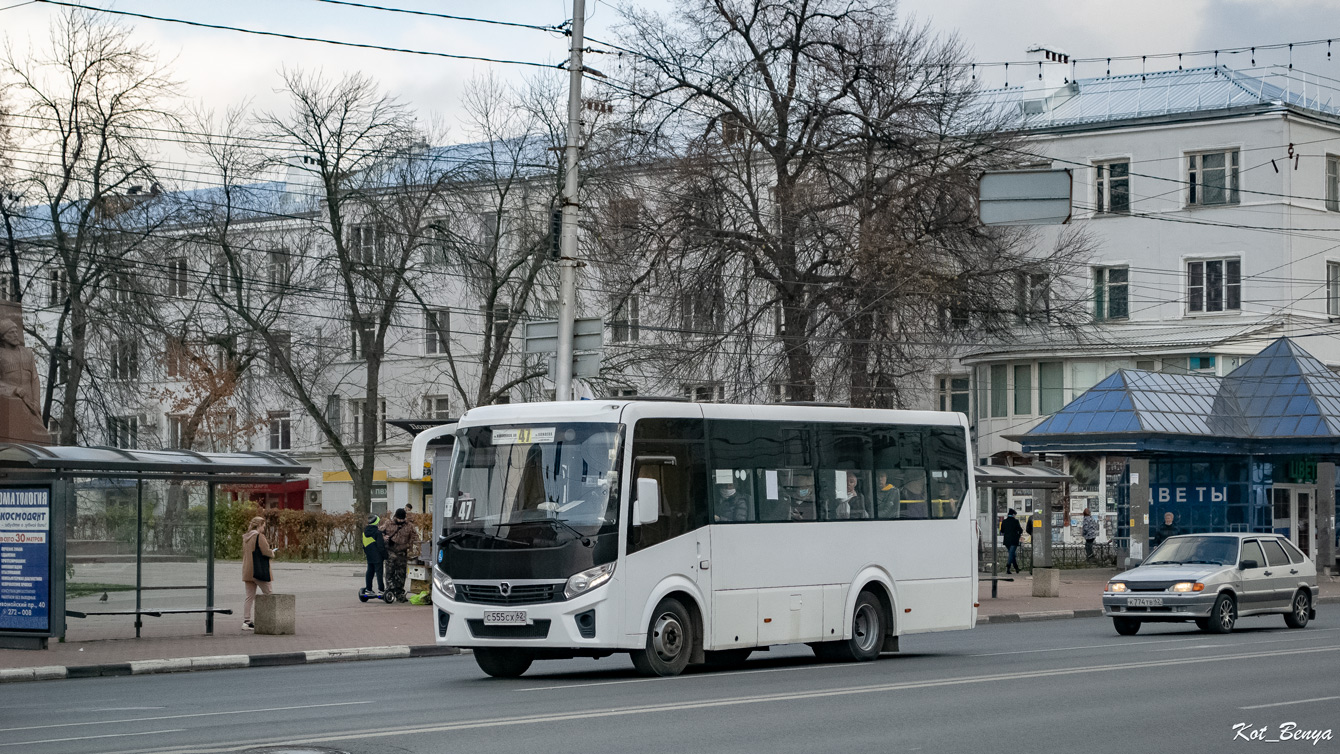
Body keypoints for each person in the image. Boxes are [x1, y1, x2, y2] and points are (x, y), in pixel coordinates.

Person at [241, 516, 277, 630]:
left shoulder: (246, 537)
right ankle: (270, 619)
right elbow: (265, 551)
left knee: (249, 597)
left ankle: (246, 622)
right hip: (258, 570)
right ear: (259, 525)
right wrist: (272, 552)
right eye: (263, 526)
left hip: (247, 570)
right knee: (269, 593)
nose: (263, 529)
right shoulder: (258, 536)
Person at [381, 508, 419, 602]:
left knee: (401, 574)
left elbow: (415, 537)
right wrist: (383, 537)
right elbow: (379, 532)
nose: (401, 521)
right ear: (395, 517)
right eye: (399, 519)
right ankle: (390, 591)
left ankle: (399, 593)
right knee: (390, 572)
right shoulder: (388, 523)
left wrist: (415, 547)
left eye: (402, 519)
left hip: (402, 552)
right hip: (390, 551)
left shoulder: (409, 526)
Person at [361, 514, 388, 596]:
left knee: (370, 572)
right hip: (378, 556)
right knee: (379, 573)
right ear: (376, 522)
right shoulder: (377, 533)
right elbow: (380, 546)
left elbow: (364, 545)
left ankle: (368, 589)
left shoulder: (364, 532)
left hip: (369, 556)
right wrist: (385, 556)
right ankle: (381, 590)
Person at [1000, 508, 1023, 574]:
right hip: (1014, 540)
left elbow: (1002, 531)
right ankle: (1008, 566)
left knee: (1012, 554)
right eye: (1015, 515)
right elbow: (1020, 530)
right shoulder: (1016, 521)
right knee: (1011, 553)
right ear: (1013, 515)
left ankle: (1016, 568)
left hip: (1007, 540)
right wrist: (1018, 534)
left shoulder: (1004, 521)